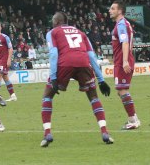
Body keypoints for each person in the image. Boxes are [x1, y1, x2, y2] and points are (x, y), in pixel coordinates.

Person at [40, 12, 113, 148]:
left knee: (47, 96)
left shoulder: (53, 32)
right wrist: (101, 80)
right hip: (83, 62)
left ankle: (47, 133)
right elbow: (91, 56)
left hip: (64, 63)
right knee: (94, 98)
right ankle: (105, 132)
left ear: (56, 22)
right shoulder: (81, 32)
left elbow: (54, 53)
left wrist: (54, 77)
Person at [109, 0, 140, 129]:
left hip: (123, 61)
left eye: (112, 8)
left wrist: (125, 61)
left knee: (122, 90)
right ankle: (133, 118)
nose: (109, 11)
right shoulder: (124, 24)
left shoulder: (121, 25)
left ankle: (133, 120)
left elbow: (125, 42)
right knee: (121, 90)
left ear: (120, 11)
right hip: (121, 61)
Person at [0, 22, 16, 102]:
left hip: (4, 60)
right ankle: (13, 95)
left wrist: (9, 60)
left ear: (0, 28)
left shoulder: (5, 37)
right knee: (5, 77)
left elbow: (10, 49)